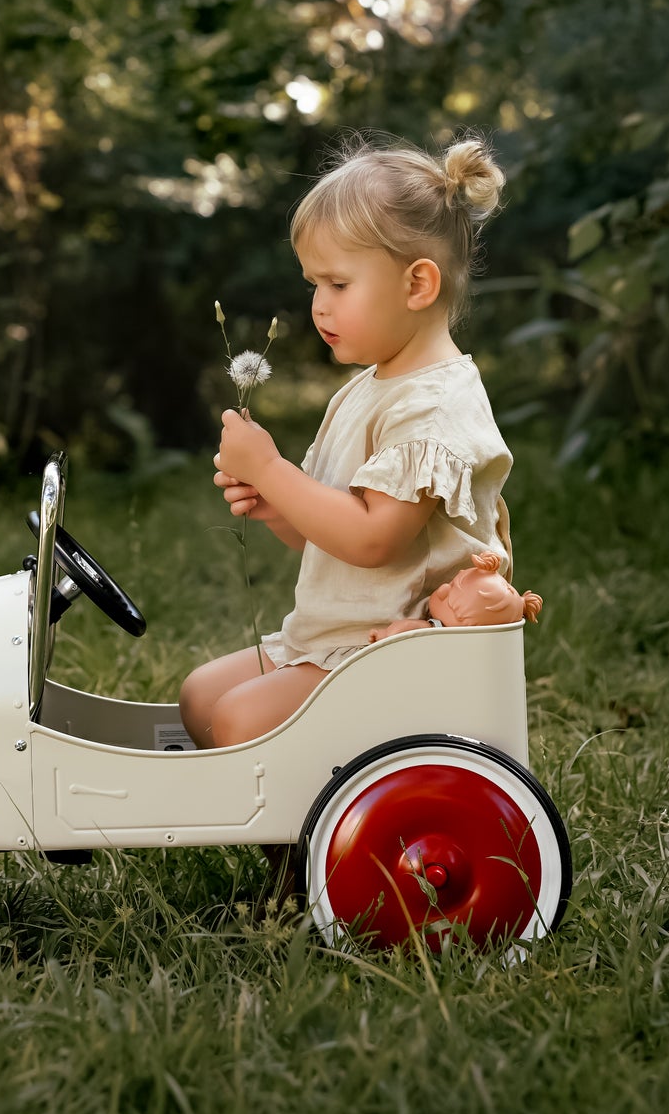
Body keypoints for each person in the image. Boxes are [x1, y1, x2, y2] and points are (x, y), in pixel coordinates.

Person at [179, 131, 516, 752]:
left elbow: (372, 538)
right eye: (314, 285)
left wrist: (274, 468)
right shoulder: (368, 388)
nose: (318, 305)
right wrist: (276, 503)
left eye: (337, 284)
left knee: (237, 723)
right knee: (200, 697)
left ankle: (319, 847)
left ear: (418, 285)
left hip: (396, 652)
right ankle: (299, 844)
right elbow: (327, 532)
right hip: (333, 636)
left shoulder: (434, 410)